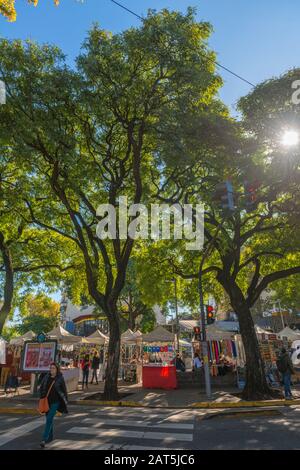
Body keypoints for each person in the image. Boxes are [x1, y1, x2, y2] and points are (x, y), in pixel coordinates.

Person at [39, 363, 68, 448]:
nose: (52, 370)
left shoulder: (60, 378)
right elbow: (42, 387)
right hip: (47, 401)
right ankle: (50, 437)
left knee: (49, 418)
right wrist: (42, 396)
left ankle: (44, 439)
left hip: (56, 402)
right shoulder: (46, 377)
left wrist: (65, 400)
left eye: (53, 368)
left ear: (57, 369)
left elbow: (64, 390)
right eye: (51, 368)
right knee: (49, 419)